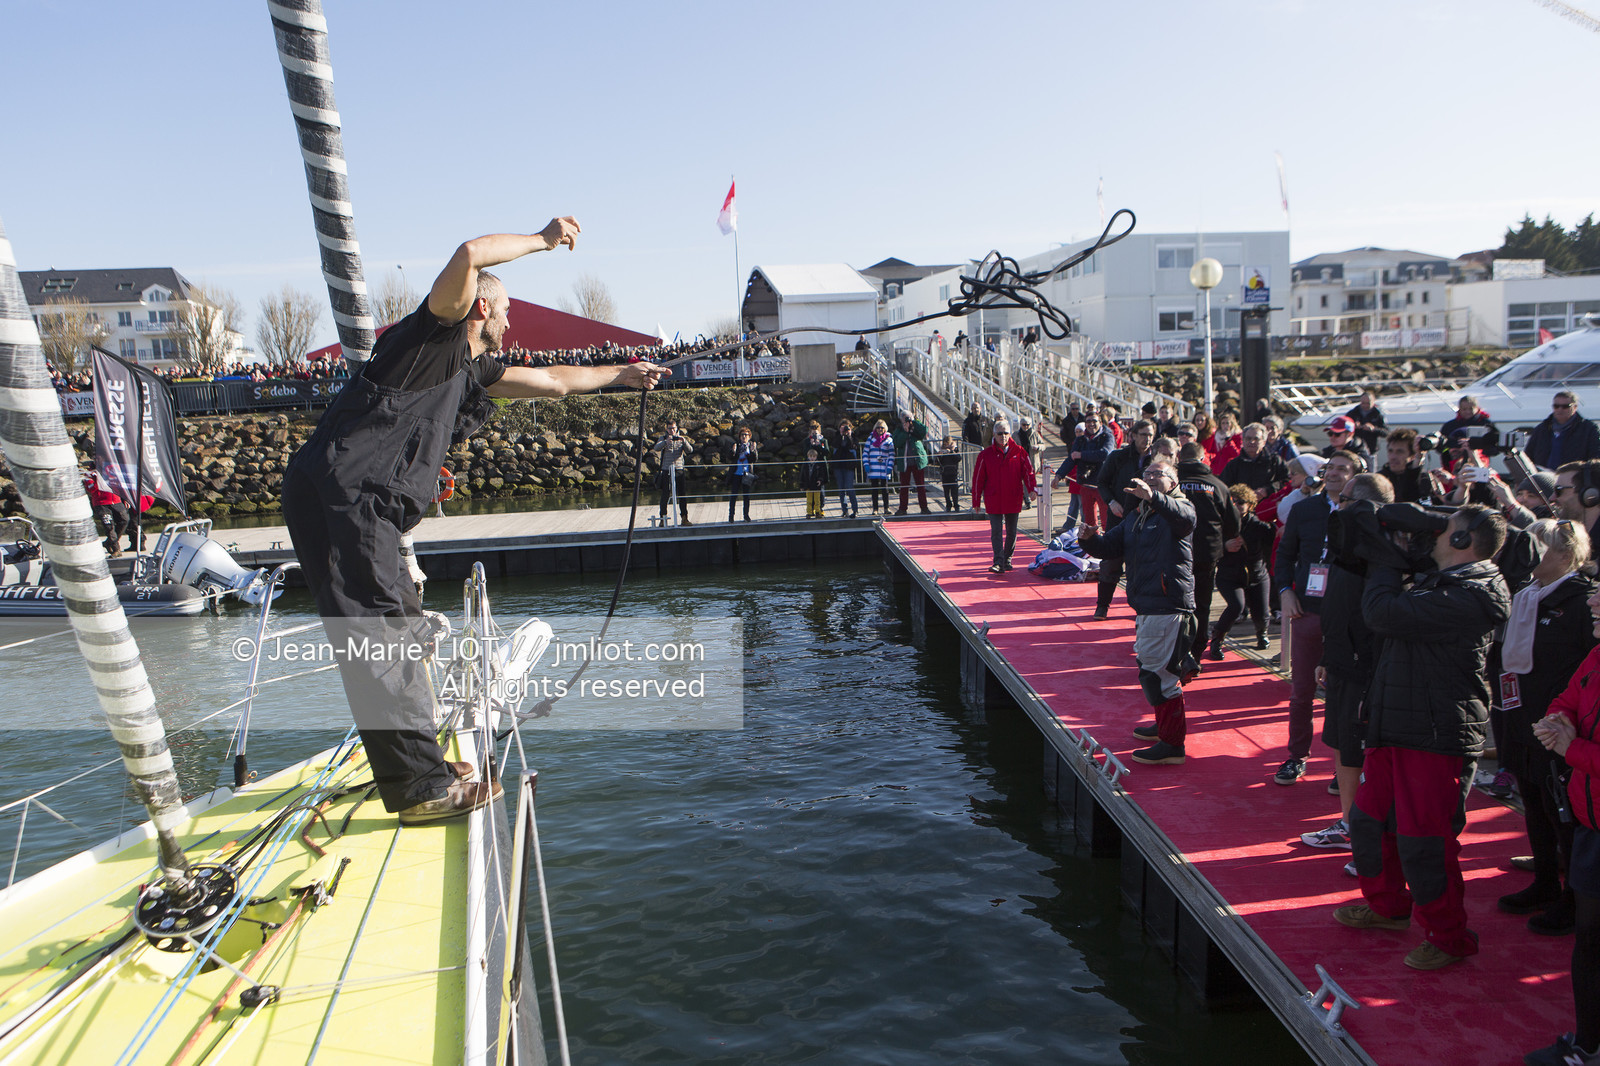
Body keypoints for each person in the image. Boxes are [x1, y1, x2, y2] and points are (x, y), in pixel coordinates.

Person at [281, 220, 666, 824]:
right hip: (343, 499)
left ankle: (420, 766)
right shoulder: (433, 337)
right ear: (481, 307)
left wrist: (622, 375)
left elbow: (554, 382)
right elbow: (470, 253)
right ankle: (421, 790)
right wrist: (542, 240)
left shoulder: (471, 369)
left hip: (365, 505)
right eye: (505, 311)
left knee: (401, 627)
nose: (511, 323)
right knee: (383, 634)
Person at [1334, 505, 1510, 971]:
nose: (1433, 536)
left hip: (1435, 734)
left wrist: (1386, 558)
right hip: (1395, 723)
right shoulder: (1442, 580)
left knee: (1425, 841)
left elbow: (1382, 612)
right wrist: (1391, 533)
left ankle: (1450, 938)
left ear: (1463, 542)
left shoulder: (1475, 594)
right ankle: (1388, 907)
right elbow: (1363, 551)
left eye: (1443, 530)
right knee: (1369, 823)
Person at [1499, 520, 1597, 939]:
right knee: (1534, 802)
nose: (1529, 554)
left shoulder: (1580, 601)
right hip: (1521, 720)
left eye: (1538, 546)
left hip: (1560, 731)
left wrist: (1565, 721)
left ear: (1564, 554)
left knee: (1563, 814)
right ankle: (1544, 881)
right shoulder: (1525, 595)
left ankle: (1574, 899)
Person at [1298, 472, 1395, 852]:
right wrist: (1328, 655)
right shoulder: (1345, 547)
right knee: (1340, 743)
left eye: (1344, 500)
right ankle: (1349, 823)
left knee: (1358, 749)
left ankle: (1363, 831)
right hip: (1339, 662)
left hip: (1365, 669)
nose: (1336, 505)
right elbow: (1337, 607)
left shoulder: (1381, 555)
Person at [1079, 458, 1198, 765]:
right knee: (1153, 668)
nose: (1151, 477)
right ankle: (1164, 726)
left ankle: (1172, 745)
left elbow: (1185, 519)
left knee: (1158, 674)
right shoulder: (1137, 515)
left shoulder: (1181, 508)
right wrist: (1089, 539)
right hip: (1147, 604)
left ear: (1173, 482)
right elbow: (1110, 547)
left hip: (1167, 603)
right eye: (1147, 473)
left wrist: (1153, 497)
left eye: (1159, 474)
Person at [1529, 594, 1600, 1065]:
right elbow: (1566, 699)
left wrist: (1570, 749)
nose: (1593, 598)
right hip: (1591, 829)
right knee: (1589, 941)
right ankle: (1586, 1046)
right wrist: (1558, 722)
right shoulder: (1596, 654)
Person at [1274, 451, 1358, 786]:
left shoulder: (1364, 512)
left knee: (1344, 694)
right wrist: (1285, 590)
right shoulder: (1304, 509)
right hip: (1308, 608)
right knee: (1301, 691)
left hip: (1350, 616)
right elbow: (1285, 554)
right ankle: (1296, 756)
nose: (1333, 473)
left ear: (1355, 475)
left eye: (1342, 469)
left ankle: (1345, 766)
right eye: (1330, 468)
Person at [1176, 441, 1241, 664]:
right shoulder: (1217, 485)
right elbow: (1233, 523)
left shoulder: (1171, 482)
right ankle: (1196, 650)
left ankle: (1175, 648)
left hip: (1174, 552)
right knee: (1202, 604)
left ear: (1179, 458)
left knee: (1173, 602)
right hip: (1207, 553)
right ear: (1204, 459)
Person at [1093, 419, 1158, 621]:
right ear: (1133, 435)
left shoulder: (1156, 460)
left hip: (1145, 519)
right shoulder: (1117, 457)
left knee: (1141, 566)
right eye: (1143, 434)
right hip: (1119, 517)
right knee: (1111, 562)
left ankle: (1140, 608)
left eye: (1150, 435)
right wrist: (1111, 502)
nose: (1147, 439)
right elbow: (1102, 482)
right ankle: (1102, 605)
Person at [1209, 484, 1275, 656]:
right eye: (1233, 501)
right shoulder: (1220, 523)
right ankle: (1217, 639)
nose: (1236, 505)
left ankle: (1262, 633)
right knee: (1236, 606)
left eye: (1241, 502)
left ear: (1250, 505)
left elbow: (1273, 538)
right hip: (1229, 575)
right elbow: (1207, 547)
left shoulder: (1257, 524)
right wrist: (1224, 546)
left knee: (1262, 612)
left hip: (1256, 574)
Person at [971, 419, 1037, 572]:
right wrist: (976, 501)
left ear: (1010, 434)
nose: (1003, 436)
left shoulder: (1019, 451)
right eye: (1000, 433)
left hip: (1013, 497)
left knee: (1012, 531)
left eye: (1006, 433)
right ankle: (998, 561)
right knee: (996, 531)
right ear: (994, 435)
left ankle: (1007, 559)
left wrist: (1032, 489)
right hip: (993, 498)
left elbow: (1029, 472)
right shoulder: (985, 455)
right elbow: (978, 479)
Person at [1055, 412, 1113, 528]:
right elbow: (1071, 459)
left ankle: (1108, 539)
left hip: (1103, 485)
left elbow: (1105, 454)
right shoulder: (1080, 440)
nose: (1091, 424)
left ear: (1101, 423)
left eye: (1094, 421)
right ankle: (1093, 540)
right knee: (1089, 522)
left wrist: (1082, 455)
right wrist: (1059, 475)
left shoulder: (1107, 437)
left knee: (1106, 521)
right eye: (1088, 421)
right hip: (1086, 484)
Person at [1528, 391, 1600, 471]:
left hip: (1573, 476)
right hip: (1543, 476)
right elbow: (1528, 456)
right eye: (1556, 406)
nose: (1560, 409)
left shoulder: (1588, 429)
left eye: (1565, 406)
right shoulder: (1542, 429)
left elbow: (1595, 458)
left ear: (1575, 407)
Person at [1220, 422, 1289, 499]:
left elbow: (1286, 481)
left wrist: (1267, 490)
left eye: (1256, 439)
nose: (1252, 442)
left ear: (1264, 442)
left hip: (1268, 503)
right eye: (1248, 438)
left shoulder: (1275, 461)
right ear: (1243, 441)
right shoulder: (1233, 465)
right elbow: (1223, 486)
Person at [891, 412, 932, 515]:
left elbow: (924, 431)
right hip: (905, 463)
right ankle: (902, 508)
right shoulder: (899, 429)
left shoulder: (916, 427)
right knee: (904, 487)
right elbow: (896, 443)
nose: (907, 420)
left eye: (908, 417)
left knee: (921, 486)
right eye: (904, 418)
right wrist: (905, 432)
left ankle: (924, 508)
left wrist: (914, 422)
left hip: (918, 461)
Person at [653, 420, 693, 526]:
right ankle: (663, 519)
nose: (672, 430)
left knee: (682, 494)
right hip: (666, 470)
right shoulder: (663, 438)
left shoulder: (681, 439)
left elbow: (690, 450)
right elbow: (656, 448)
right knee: (665, 494)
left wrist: (684, 441)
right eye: (670, 428)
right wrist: (666, 442)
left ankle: (684, 518)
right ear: (667, 429)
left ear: (677, 428)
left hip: (679, 469)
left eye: (674, 428)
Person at [1377, 428, 1431, 503]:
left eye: (1399, 452)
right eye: (1390, 451)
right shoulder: (1379, 480)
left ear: (1412, 455)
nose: (1393, 457)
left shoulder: (1423, 479)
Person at [727, 425, 759, 522]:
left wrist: (753, 451)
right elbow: (730, 457)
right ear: (740, 437)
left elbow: (754, 459)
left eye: (746, 435)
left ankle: (746, 515)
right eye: (742, 435)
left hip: (747, 474)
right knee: (734, 496)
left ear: (749, 436)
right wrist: (733, 451)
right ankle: (731, 516)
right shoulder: (736, 445)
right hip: (737, 473)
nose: (744, 436)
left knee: (746, 496)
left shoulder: (751, 446)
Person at [862, 418, 895, 514]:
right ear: (875, 428)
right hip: (873, 468)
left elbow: (892, 454)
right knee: (874, 489)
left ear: (885, 429)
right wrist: (866, 464)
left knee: (885, 489)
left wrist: (890, 466)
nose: (880, 429)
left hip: (884, 468)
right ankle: (875, 509)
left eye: (882, 428)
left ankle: (886, 508)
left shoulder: (889, 439)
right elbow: (865, 453)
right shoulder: (870, 439)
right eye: (878, 428)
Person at [831, 420, 860, 518]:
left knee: (849, 487)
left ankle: (855, 509)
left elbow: (854, 446)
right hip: (838, 465)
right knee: (841, 488)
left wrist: (849, 436)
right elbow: (835, 445)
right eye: (843, 427)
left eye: (847, 427)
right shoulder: (837, 436)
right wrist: (841, 435)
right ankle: (844, 510)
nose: (845, 429)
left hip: (849, 466)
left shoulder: (853, 437)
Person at [1346, 390, 1387, 455]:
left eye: (1368, 403)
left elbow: (1386, 433)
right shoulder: (1352, 413)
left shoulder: (1378, 415)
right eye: (1363, 403)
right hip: (1354, 449)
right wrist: (1352, 426)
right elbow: (1342, 429)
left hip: (1371, 450)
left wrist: (1373, 429)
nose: (1365, 405)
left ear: (1373, 401)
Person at [934, 435, 964, 511]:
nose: (946, 446)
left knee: (954, 491)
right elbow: (937, 462)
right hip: (945, 473)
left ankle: (956, 505)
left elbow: (958, 458)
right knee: (946, 491)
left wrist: (951, 452)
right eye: (945, 444)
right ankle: (948, 505)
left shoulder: (955, 449)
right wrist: (939, 455)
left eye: (947, 444)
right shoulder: (942, 449)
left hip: (953, 472)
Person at [799, 448, 827, 518]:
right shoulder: (805, 465)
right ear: (808, 457)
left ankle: (817, 512)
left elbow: (821, 474)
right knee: (809, 500)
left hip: (816, 485)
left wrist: (820, 480)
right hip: (808, 485)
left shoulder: (819, 465)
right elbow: (802, 475)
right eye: (810, 456)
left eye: (814, 456)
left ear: (816, 457)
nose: (812, 458)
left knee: (817, 500)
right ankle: (809, 512)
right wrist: (801, 485)